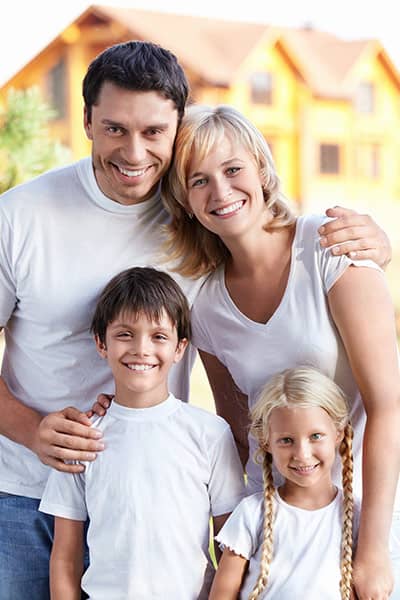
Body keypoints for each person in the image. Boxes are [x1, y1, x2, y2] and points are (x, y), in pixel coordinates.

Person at [0, 40, 392, 597]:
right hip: (27, 491)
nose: (135, 152)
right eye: (114, 128)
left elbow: (381, 404)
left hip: (205, 505)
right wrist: (31, 429)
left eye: (154, 132)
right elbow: (236, 421)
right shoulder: (21, 218)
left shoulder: (255, 238)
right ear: (87, 120)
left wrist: (379, 244)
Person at [162, 104, 400, 599]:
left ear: (262, 168)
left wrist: (372, 547)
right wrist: (239, 542)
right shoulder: (205, 304)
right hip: (278, 530)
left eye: (232, 170)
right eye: (199, 180)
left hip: (362, 512)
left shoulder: (329, 247)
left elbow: (388, 406)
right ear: (184, 200)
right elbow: (240, 436)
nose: (221, 192)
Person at [39, 266, 245, 599]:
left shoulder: (209, 434)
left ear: (180, 348)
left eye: (158, 336)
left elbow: (232, 546)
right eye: (124, 334)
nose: (141, 349)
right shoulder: (83, 439)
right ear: (101, 343)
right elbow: (65, 557)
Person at [209, 367, 358, 600]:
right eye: (287, 440)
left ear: (338, 433)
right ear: (266, 442)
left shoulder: (358, 516)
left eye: (315, 436)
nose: (302, 454)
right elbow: (222, 595)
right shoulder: (252, 513)